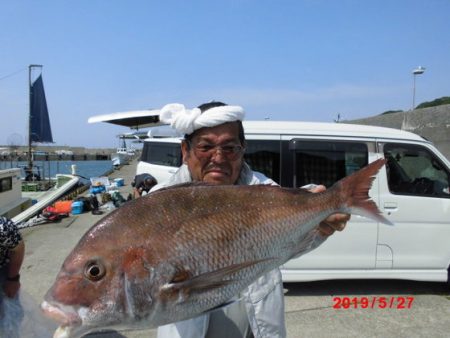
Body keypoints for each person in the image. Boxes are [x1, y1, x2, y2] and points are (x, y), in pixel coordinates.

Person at [151, 102, 350, 338]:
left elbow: (288, 247)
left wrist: (320, 228)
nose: (218, 157)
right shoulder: (157, 204)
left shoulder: (265, 191)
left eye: (230, 147)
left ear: (243, 149)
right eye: (206, 146)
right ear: (185, 151)